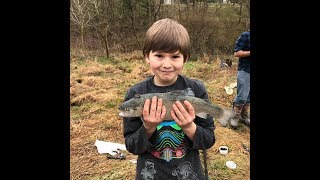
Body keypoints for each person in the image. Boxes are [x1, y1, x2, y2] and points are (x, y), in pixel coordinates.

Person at [122, 18, 215, 179]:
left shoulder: (196, 90)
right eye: (159, 55)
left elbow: (208, 141)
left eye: (174, 57)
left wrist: (188, 126)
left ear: (185, 58)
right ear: (147, 56)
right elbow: (132, 146)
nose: (166, 64)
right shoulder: (135, 94)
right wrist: (149, 127)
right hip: (150, 174)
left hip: (189, 174)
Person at [229, 30, 250, 128]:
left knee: (249, 97)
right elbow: (236, 53)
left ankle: (244, 116)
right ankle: (234, 117)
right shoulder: (245, 35)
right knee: (242, 97)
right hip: (245, 70)